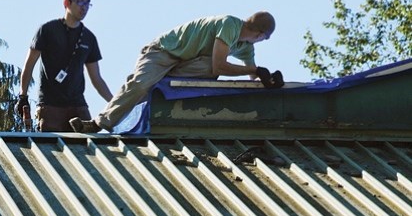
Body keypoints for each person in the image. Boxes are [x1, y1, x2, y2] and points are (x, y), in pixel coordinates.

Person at [70, 12, 282, 134]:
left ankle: (162, 85)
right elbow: (220, 66)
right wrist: (254, 69)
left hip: (185, 63)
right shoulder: (230, 25)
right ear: (260, 34)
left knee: (208, 69)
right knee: (141, 85)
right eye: (265, 38)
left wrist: (267, 80)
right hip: (163, 52)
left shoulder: (245, 47)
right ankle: (99, 123)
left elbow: (251, 78)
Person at [16, 0, 113, 132]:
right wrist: (23, 96)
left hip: (78, 106)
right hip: (50, 106)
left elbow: (97, 79)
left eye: (88, 3)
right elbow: (29, 66)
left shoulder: (89, 38)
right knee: (51, 151)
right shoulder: (47, 30)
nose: (84, 7)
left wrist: (116, 105)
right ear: (67, 3)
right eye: (80, 1)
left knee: (87, 148)